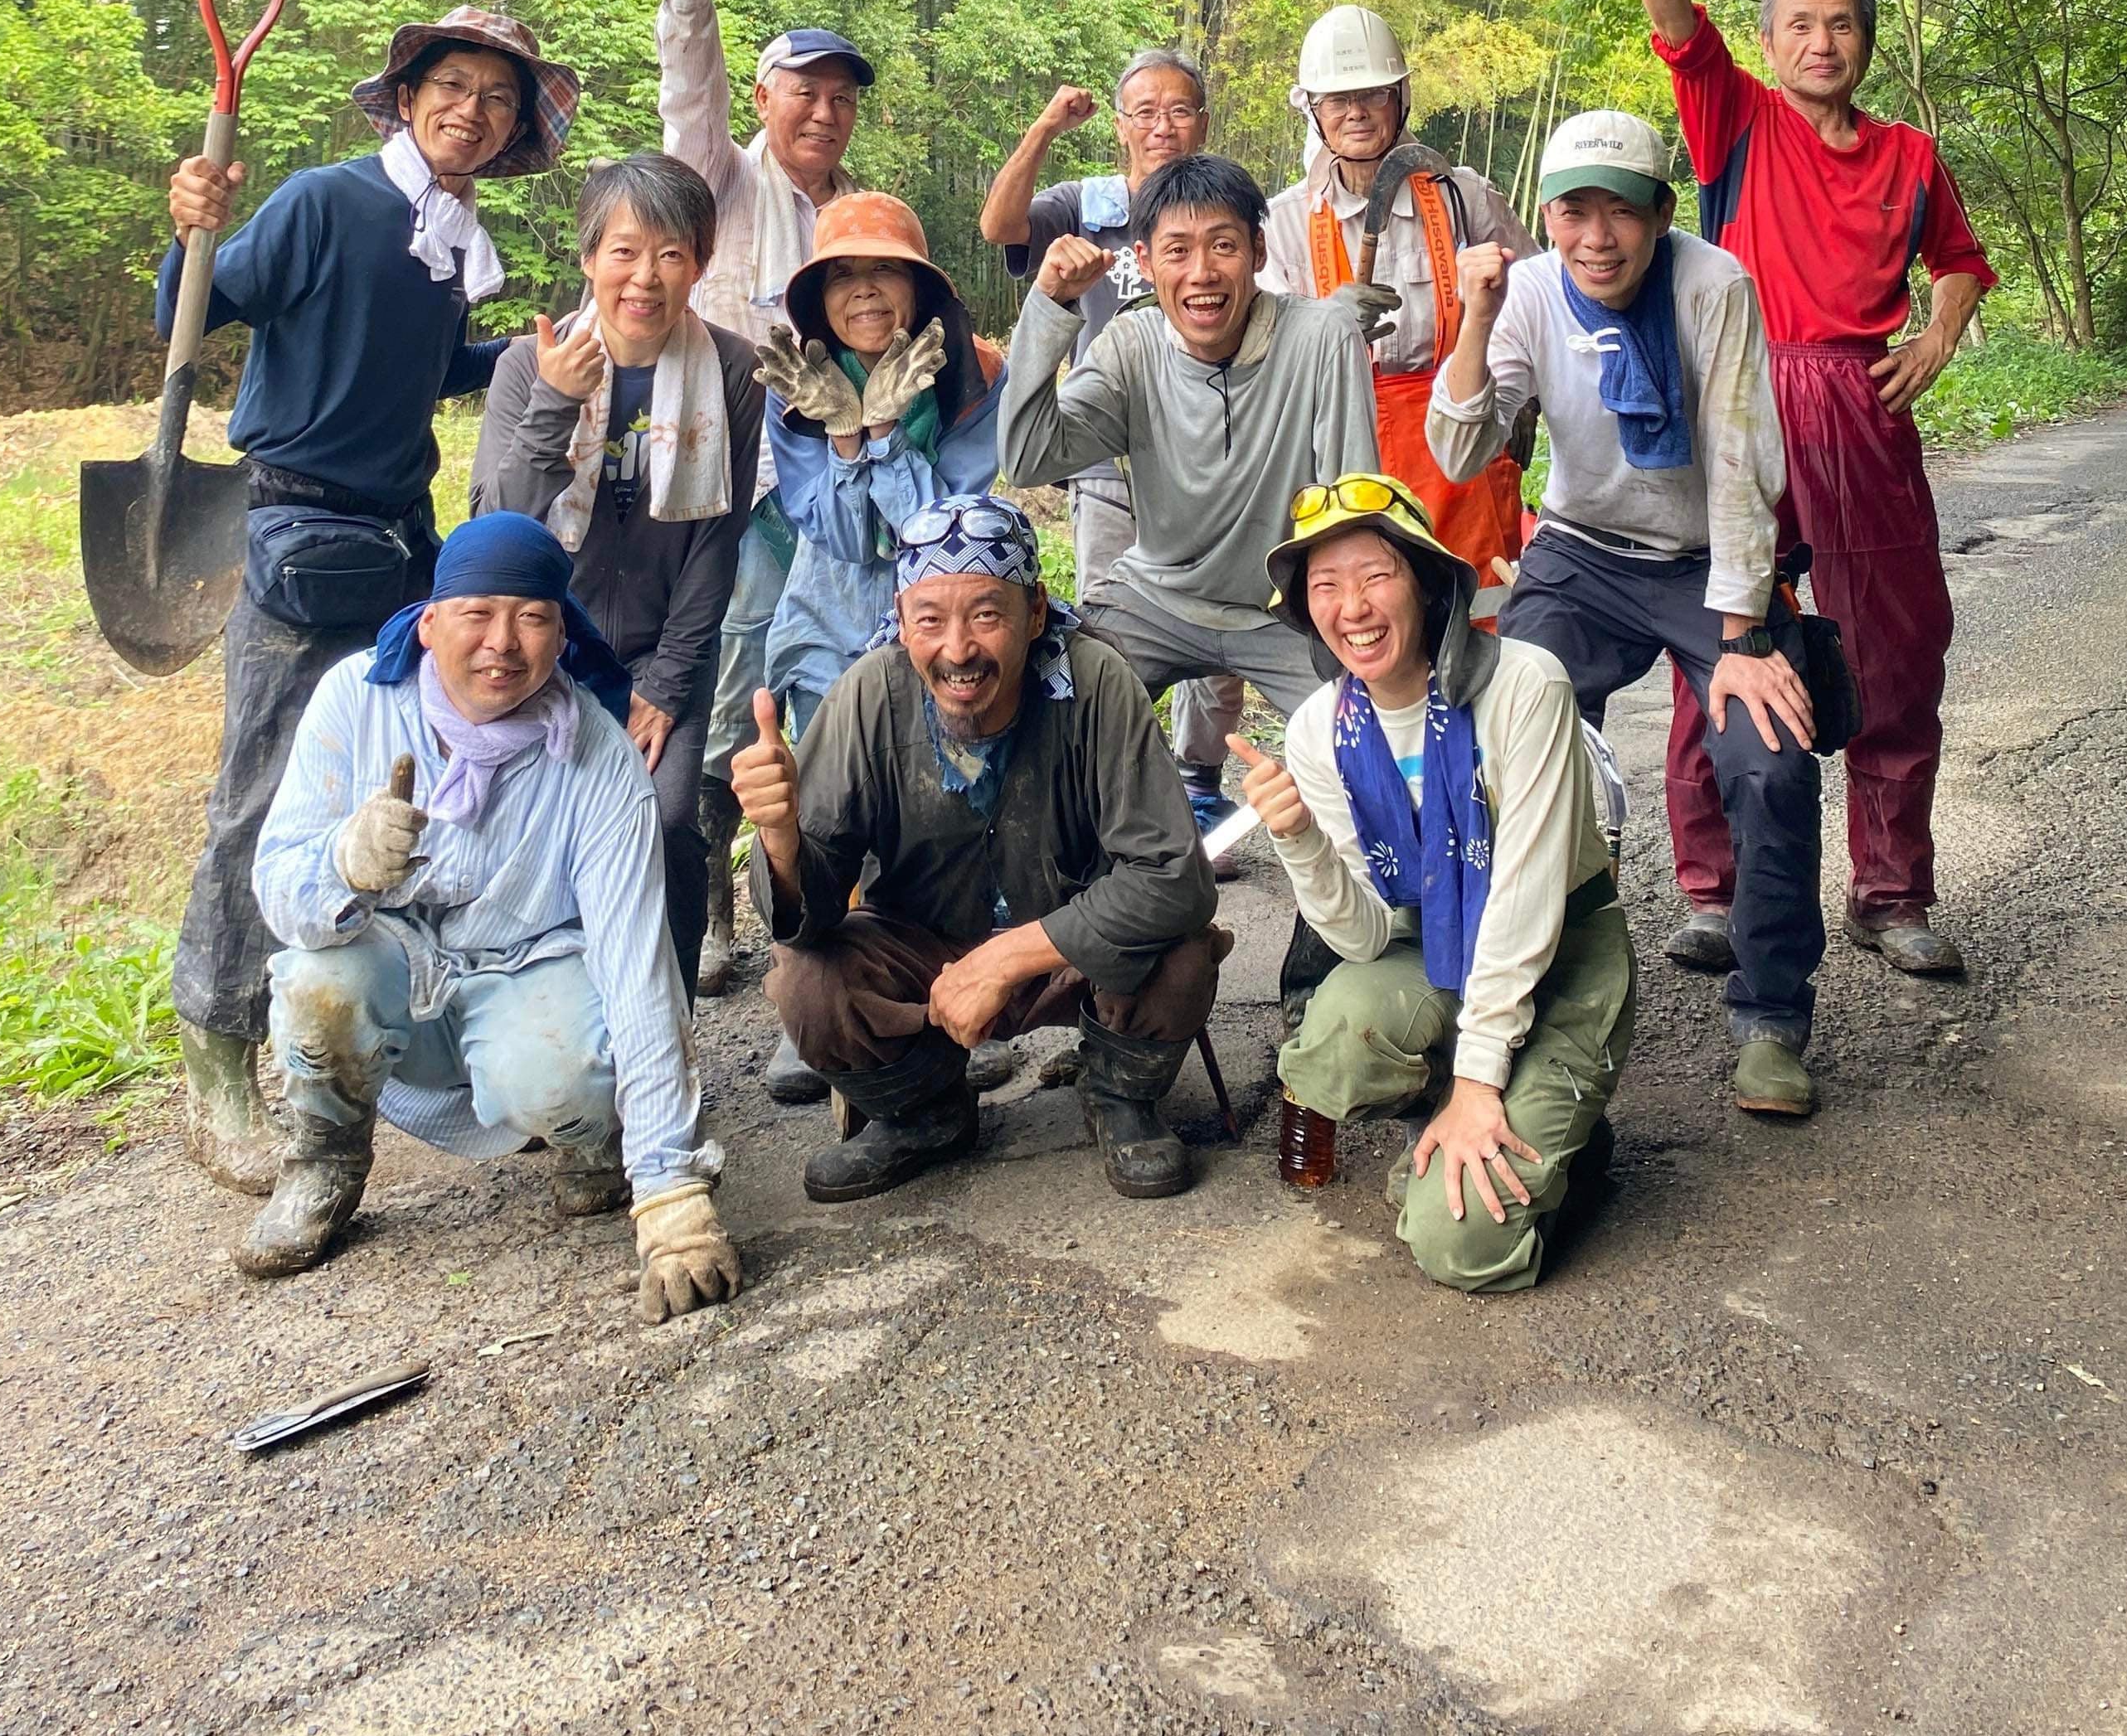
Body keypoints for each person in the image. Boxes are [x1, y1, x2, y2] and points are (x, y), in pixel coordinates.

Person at [157, 2, 580, 1201]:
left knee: (426, 777)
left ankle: (426, 1043)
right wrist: (188, 231)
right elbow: (189, 311)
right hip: (298, 530)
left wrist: (529, 354)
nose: (473, 112)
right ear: (405, 99)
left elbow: (425, 367)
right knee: (263, 796)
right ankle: (219, 1068)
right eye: (451, 87)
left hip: (405, 541)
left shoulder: (447, 233)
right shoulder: (326, 200)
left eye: (498, 101)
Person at [1616, 0, 1996, 981]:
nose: (1820, 42)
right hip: (1745, 393)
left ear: (1865, 43)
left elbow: (1963, 264)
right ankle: (1715, 891)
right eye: (1799, 25)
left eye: (1840, 24)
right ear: (1772, 43)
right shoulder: (1739, 120)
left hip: (1862, 410)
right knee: (1724, 636)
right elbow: (1685, 43)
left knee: (1896, 645)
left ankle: (1892, 892)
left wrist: (1935, 336)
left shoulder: (1909, 157)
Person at [1429, 109, 1832, 1119]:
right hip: (1580, 553)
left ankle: (1773, 1018)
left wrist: (1744, 639)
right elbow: (1458, 454)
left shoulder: (1713, 285)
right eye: (1573, 212)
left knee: (1771, 762)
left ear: (1662, 215)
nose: (1595, 239)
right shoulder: (1523, 293)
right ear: (1547, 218)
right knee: (1497, 747)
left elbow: (1743, 460)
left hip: (1712, 565)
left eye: (1621, 212)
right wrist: (1473, 318)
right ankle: (1520, 992)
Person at [240, 511, 737, 1322]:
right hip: (399, 975)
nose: (503, 642)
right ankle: (323, 1160)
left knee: (565, 1076)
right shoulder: (355, 701)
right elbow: (276, 887)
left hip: (529, 979)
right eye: (478, 614)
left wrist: (672, 1192)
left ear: (562, 632)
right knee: (317, 980)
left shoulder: (598, 759)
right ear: (431, 623)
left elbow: (638, 967)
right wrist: (345, 863)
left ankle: (593, 1137)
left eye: (532, 618)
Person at [731, 497, 1221, 1204]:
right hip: (919, 954)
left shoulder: (1098, 682)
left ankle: (1119, 1095)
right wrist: (779, 842)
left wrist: (1007, 957)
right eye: (930, 620)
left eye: (987, 615)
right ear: (902, 621)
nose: (958, 650)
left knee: (1184, 949)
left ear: (1037, 612)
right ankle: (924, 1112)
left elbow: (1176, 877)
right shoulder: (869, 693)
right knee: (807, 979)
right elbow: (811, 917)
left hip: (1073, 954)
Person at [1234, 476, 1633, 1292]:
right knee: (1338, 1036)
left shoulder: (1526, 686)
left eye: (1376, 576)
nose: (1353, 607)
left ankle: (1556, 1135)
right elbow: (1364, 940)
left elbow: (1523, 905)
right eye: (1325, 586)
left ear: (1426, 581)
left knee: (1463, 1247)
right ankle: (1480, 1104)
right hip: (1432, 945)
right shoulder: (1321, 730)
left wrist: (1480, 1083)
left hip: (1562, 949)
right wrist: (1299, 839)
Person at [655, 0, 872, 997]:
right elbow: (688, 90)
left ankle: (804, 898)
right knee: (729, 686)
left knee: (827, 691)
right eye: (806, 90)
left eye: (842, 97)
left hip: (833, 502)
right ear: (768, 99)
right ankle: (706, 909)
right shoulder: (720, 184)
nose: (825, 112)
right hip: (733, 494)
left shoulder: (862, 221)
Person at [469, 150, 762, 991]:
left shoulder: (733, 371)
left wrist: (667, 685)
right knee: (539, 825)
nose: (646, 278)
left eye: (672, 255)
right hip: (544, 657)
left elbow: (718, 539)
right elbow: (497, 535)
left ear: (700, 266)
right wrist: (555, 405)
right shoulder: (528, 367)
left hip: (664, 654)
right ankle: (553, 1019)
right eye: (625, 251)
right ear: (591, 257)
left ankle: (662, 1036)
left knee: (667, 818)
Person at [749, 191, 1009, 1106]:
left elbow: (937, 535)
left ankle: (960, 992)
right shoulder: (796, 391)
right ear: (818, 298)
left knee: (947, 812)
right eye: (843, 276)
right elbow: (840, 532)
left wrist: (888, 432)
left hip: (943, 640)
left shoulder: (971, 379)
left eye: (883, 271)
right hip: (825, 634)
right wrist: (849, 428)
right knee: (821, 822)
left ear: (919, 287)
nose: (865, 292)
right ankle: (816, 1004)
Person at [999, 152, 1381, 757]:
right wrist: (1049, 307)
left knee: (1370, 735)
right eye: (1177, 251)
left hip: (1280, 612)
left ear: (1258, 252)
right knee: (1055, 714)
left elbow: (1350, 503)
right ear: (1146, 263)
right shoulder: (1131, 344)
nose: (1201, 271)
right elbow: (1026, 459)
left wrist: (1356, 630)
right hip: (1155, 601)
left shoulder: (1320, 337)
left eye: (1223, 246)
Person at [979, 49, 1245, 815]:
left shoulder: (1217, 206)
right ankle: (1117, 786)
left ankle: (1199, 783)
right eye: (1146, 112)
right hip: (1104, 447)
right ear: (1123, 125)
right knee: (1109, 625)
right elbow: (999, 223)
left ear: (1204, 121)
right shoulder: (1087, 204)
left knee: (1220, 609)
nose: (1163, 126)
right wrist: (1045, 128)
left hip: (1205, 441)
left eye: (1181, 109)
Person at [1263, 3, 1535, 603]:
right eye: (1337, 100)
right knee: (1369, 617)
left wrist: (1520, 409)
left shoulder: (1463, 197)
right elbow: (1267, 362)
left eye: (1372, 94)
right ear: (1313, 109)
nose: (1355, 112)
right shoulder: (1282, 223)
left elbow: (1542, 306)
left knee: (1479, 612)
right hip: (1342, 450)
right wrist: (1323, 323)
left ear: (1401, 97)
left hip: (1458, 446)